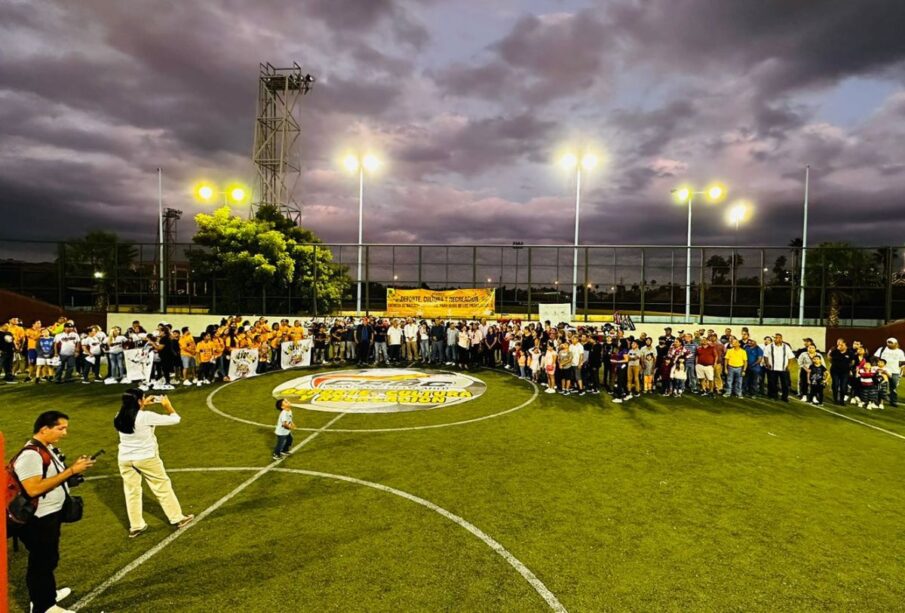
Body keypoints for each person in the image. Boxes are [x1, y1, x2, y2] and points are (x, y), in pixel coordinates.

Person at [12, 410, 95, 613]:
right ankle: (43, 606)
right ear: (44, 429)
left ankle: (44, 593)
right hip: (38, 518)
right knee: (43, 560)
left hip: (49, 514)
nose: (64, 433)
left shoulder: (47, 449)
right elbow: (33, 488)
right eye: (60, 428)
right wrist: (71, 471)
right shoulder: (31, 454)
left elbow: (53, 478)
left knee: (49, 558)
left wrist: (73, 474)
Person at [113, 389, 194, 538]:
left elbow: (134, 416)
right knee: (162, 487)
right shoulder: (145, 417)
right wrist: (167, 405)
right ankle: (177, 518)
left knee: (131, 492)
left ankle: (136, 525)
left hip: (124, 459)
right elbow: (175, 419)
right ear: (138, 401)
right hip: (146, 458)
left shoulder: (119, 416)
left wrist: (142, 405)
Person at [874, 338, 904, 407]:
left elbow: (902, 362)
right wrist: (878, 366)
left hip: (895, 372)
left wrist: (901, 371)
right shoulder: (882, 349)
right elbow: (875, 357)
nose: (889, 344)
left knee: (893, 387)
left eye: (891, 342)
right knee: (880, 386)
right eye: (888, 342)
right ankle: (878, 401)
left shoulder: (900, 352)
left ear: (896, 344)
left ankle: (893, 401)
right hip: (883, 371)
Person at [765, 333, 794, 401]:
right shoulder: (769, 346)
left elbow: (791, 357)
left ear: (781, 339)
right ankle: (774, 396)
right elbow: (765, 355)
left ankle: (785, 397)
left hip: (783, 369)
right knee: (773, 383)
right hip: (773, 368)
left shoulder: (786, 347)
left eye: (777, 338)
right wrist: (767, 363)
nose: (775, 339)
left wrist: (789, 366)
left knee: (785, 384)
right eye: (775, 338)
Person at [828, 338, 854, 406]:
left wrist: (848, 368)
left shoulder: (850, 352)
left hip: (845, 372)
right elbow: (830, 358)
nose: (840, 346)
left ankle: (842, 400)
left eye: (841, 344)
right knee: (835, 385)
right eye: (839, 344)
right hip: (835, 371)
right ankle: (835, 399)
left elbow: (852, 362)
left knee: (843, 386)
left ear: (845, 345)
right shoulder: (834, 351)